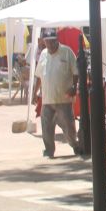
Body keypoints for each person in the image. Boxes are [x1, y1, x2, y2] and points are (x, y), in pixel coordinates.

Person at [33, 28, 80, 158]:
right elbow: (39, 75)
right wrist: (34, 93)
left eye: (52, 42)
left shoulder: (67, 52)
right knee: (46, 127)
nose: (50, 45)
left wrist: (74, 87)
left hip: (63, 98)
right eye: (47, 42)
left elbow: (76, 71)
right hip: (47, 99)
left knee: (68, 127)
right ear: (44, 42)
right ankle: (49, 150)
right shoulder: (43, 54)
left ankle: (75, 145)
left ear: (57, 40)